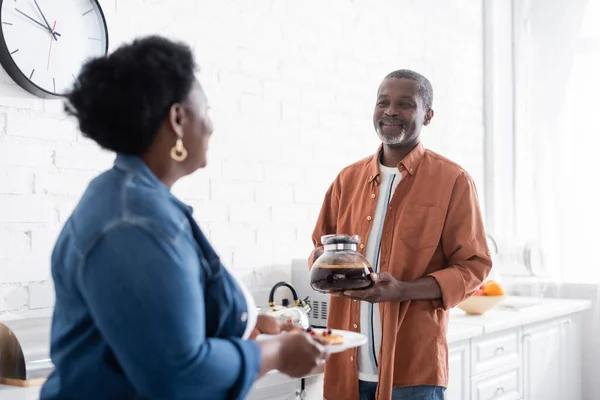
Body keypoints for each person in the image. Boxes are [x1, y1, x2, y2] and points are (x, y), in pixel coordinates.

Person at [40, 35, 328, 400]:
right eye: (205, 110)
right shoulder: (134, 224)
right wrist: (276, 353)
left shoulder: (136, 201)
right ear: (177, 118)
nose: (210, 125)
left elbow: (164, 326)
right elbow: (178, 375)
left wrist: (252, 327)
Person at [309, 69, 493, 400]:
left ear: (428, 115)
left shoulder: (453, 181)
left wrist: (402, 290)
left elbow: (474, 266)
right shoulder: (346, 180)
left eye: (405, 104)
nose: (391, 111)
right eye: (383, 102)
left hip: (413, 374)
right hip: (345, 369)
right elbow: (318, 250)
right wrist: (334, 273)